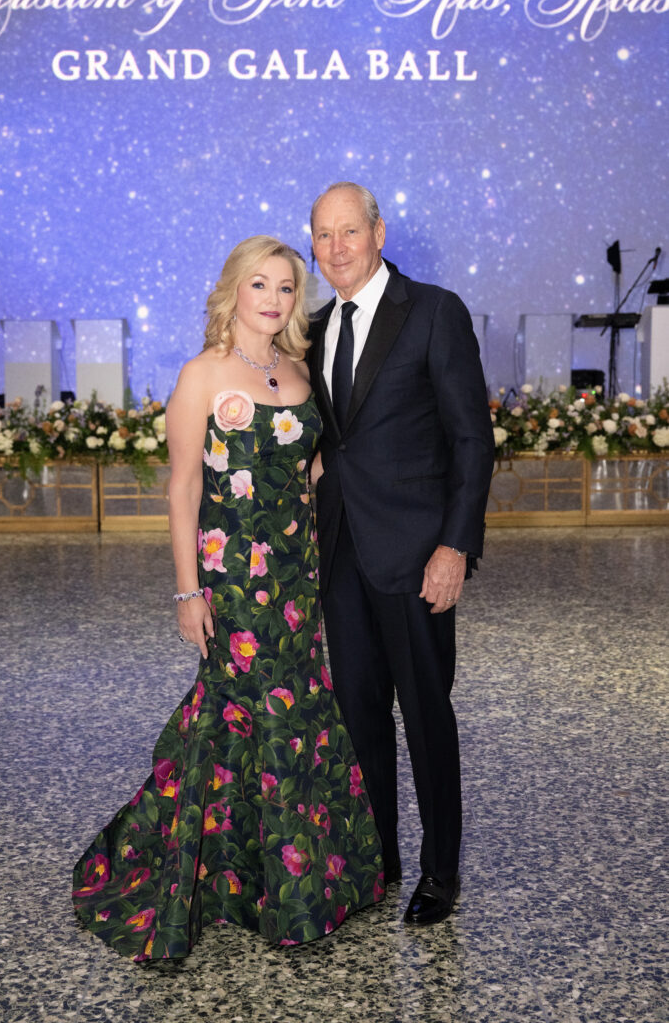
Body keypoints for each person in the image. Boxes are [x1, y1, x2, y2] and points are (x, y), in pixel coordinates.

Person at [72, 236, 384, 959]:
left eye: (285, 287)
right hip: (235, 580)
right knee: (246, 711)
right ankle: (238, 879)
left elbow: (310, 471)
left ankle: (293, 876)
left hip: (299, 579)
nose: (273, 299)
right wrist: (188, 591)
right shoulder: (202, 374)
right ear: (233, 291)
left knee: (299, 714)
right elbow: (183, 487)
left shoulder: (300, 370)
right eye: (259, 285)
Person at [307, 183, 495, 925]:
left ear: (378, 233)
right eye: (323, 236)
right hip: (340, 555)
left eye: (349, 231)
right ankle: (376, 860)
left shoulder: (434, 312)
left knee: (424, 715)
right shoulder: (313, 328)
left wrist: (454, 546)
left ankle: (440, 871)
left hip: (417, 556)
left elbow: (470, 439)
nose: (337, 248)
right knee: (359, 717)